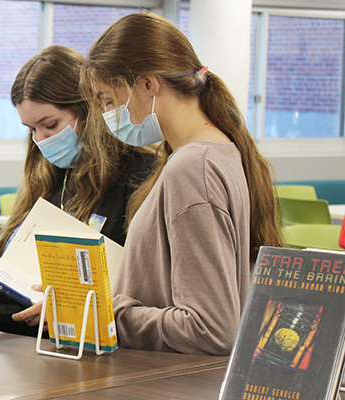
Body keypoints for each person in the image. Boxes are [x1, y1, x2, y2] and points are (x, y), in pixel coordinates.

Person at [83, 13, 283, 355]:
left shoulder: (193, 169)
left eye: (109, 101)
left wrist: (105, 314)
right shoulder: (215, 153)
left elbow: (211, 330)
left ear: (147, 85)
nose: (108, 116)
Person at [0, 45, 156, 332]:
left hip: (101, 352)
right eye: (31, 129)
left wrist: (75, 304)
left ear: (88, 109)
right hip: (30, 345)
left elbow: (147, 286)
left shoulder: (141, 175)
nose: (41, 140)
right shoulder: (52, 177)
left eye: (50, 125)